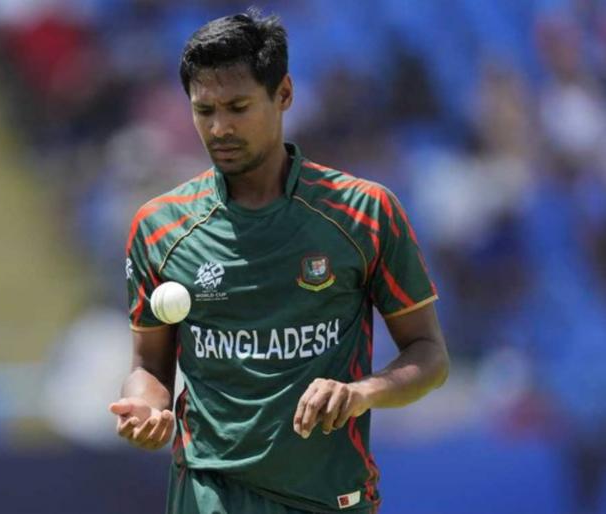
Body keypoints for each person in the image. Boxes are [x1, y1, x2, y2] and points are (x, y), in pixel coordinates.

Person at [109, 10, 449, 514]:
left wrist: (362, 393)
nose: (219, 128)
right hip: (208, 495)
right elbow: (149, 367)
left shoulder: (364, 213)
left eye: (238, 107)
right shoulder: (159, 227)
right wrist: (145, 406)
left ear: (284, 93)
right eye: (204, 111)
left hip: (327, 498)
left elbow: (429, 355)